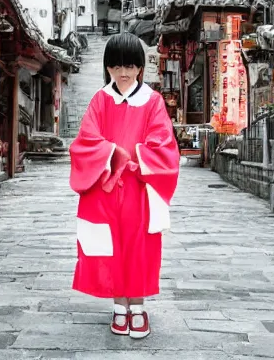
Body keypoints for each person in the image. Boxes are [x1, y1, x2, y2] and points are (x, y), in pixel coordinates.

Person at [69, 32, 179, 338]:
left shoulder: (153, 102)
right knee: (109, 248)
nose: (124, 72)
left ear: (140, 67)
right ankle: (119, 308)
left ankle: (138, 307)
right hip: (105, 187)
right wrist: (113, 155)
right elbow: (85, 142)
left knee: (139, 248)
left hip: (139, 189)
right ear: (107, 68)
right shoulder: (100, 100)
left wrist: (138, 159)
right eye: (117, 66)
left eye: (130, 65)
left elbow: (163, 142)